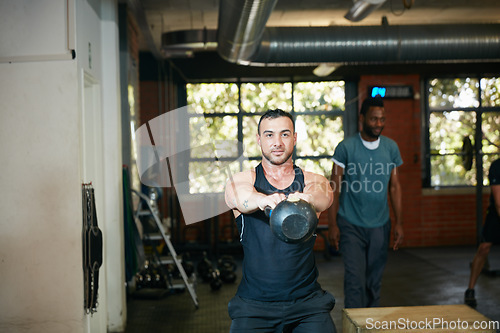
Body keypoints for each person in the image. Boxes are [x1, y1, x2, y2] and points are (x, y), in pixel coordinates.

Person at [224, 109, 336, 333]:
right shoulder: (245, 180)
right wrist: (263, 200)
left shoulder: (312, 181)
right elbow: (238, 197)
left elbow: (324, 196)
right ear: (259, 140)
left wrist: (306, 199)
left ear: (294, 138)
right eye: (269, 135)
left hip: (307, 304)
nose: (277, 142)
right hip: (254, 305)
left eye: (285, 134)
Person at [327, 96, 404, 309]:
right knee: (354, 281)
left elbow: (395, 187)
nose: (378, 124)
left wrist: (399, 222)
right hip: (350, 224)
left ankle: (371, 325)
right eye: (373, 119)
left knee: (373, 282)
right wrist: (332, 224)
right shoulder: (345, 147)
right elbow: (334, 187)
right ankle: (354, 327)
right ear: (362, 118)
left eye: (382, 119)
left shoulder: (391, 148)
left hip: (380, 224)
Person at [465, 158, 500, 308]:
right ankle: (470, 289)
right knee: (484, 248)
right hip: (496, 213)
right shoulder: (497, 166)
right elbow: (499, 201)